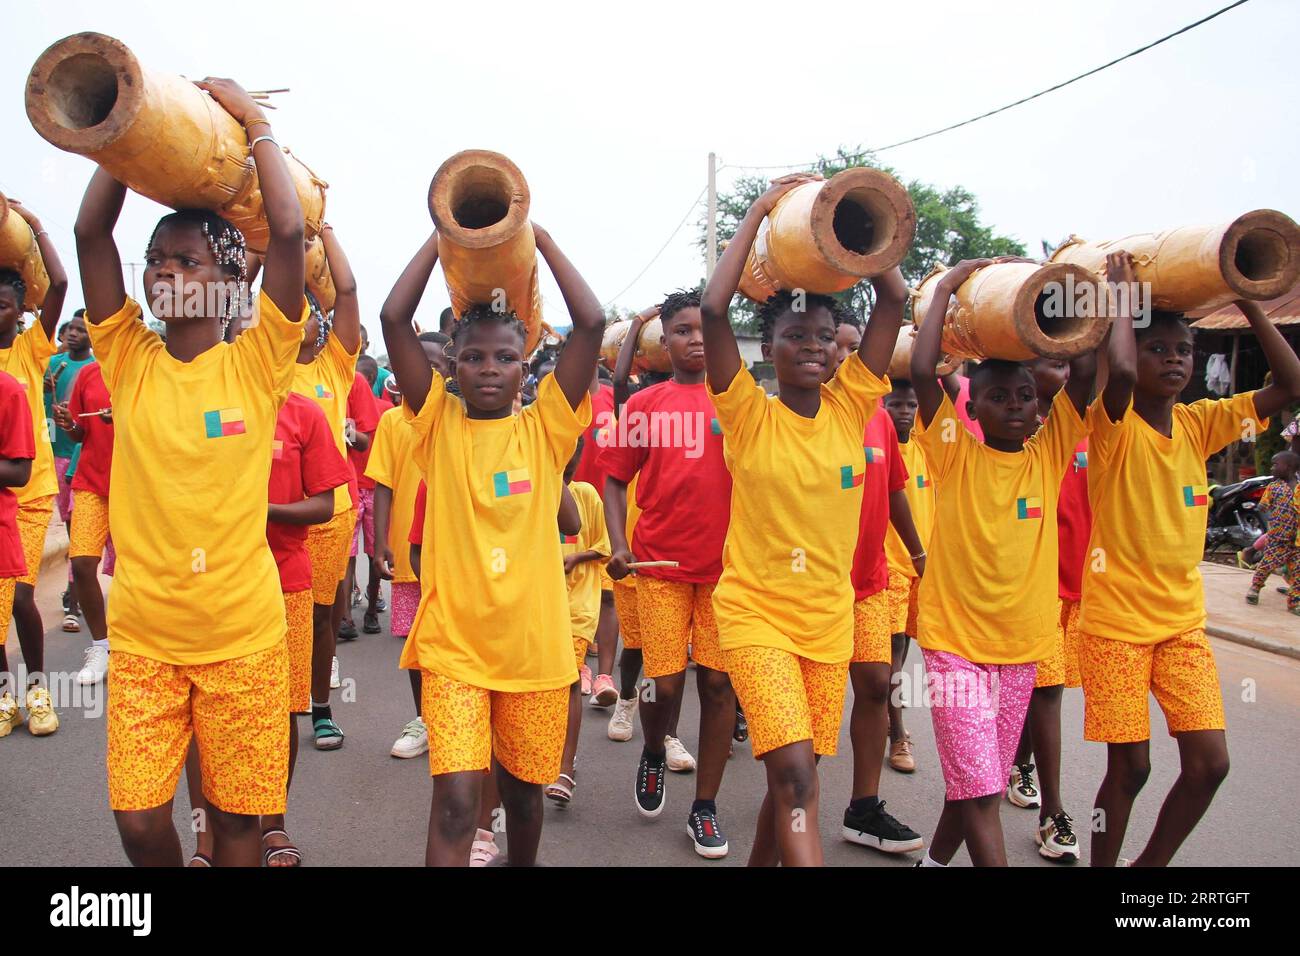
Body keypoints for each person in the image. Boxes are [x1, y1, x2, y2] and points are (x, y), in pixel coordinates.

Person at [73, 76, 306, 866]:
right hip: (144, 639)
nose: (164, 270)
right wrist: (131, 132)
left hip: (243, 636)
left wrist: (252, 122)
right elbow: (89, 235)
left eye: (187, 258)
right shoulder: (128, 358)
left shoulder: (258, 363)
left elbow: (287, 226)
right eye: (157, 258)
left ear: (230, 278)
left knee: (237, 823)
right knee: (140, 822)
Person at [381, 218, 603, 867]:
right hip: (454, 652)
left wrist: (541, 240)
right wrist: (443, 237)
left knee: (524, 798)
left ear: (525, 362)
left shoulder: (547, 429)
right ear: (450, 363)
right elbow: (395, 319)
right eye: (472, 356)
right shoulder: (435, 424)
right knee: (455, 801)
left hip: (535, 654)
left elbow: (589, 325)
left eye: (505, 357)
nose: (487, 369)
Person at [700, 172, 906, 866]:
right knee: (793, 775)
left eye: (825, 336)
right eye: (796, 335)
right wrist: (761, 213)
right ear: (771, 347)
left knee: (798, 780)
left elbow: (895, 301)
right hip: (757, 617)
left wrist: (867, 241)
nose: (814, 346)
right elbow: (712, 311)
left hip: (829, 622)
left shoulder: (854, 407)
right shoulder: (748, 416)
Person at [1082, 252, 1300, 867]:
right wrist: (1122, 305)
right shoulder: (1112, 423)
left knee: (1210, 764)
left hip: (1181, 626)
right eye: (1160, 349)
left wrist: (1248, 298)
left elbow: (1291, 385)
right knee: (1130, 769)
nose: (1175, 359)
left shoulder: (1200, 424)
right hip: (1116, 629)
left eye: (1184, 350)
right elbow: (1118, 370)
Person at [910, 256, 1094, 868]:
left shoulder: (1051, 453)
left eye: (1024, 396)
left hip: (1022, 650)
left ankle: (931, 863)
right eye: (998, 396)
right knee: (984, 788)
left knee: (975, 781)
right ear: (974, 407)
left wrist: (1093, 287)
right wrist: (952, 286)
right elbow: (921, 365)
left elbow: (1087, 372)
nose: (1015, 405)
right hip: (955, 644)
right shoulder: (953, 453)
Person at [602, 289, 736, 857]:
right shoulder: (645, 405)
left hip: (730, 573)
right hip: (657, 566)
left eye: (706, 327)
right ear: (667, 339)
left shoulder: (742, 401)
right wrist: (616, 543)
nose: (696, 339)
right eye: (682, 330)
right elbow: (612, 477)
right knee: (666, 679)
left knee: (717, 683)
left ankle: (703, 807)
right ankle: (654, 748)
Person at [832, 308, 926, 856]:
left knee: (875, 683)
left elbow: (894, 491)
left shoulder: (880, 418)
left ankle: (864, 808)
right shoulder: (798, 414)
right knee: (807, 716)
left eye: (851, 346)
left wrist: (917, 552)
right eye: (835, 346)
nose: (844, 357)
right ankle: (791, 798)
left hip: (868, 584)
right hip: (808, 591)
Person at [1005, 356, 1091, 862]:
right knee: (1040, 693)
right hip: (1026, 592)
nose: (1060, 368)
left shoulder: (1085, 427)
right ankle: (1052, 811)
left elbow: (1097, 370)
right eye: (1048, 358)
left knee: (1044, 692)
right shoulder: (1015, 436)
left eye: (1066, 359)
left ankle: (1020, 766)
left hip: (1075, 585)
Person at [291, 226, 363, 750]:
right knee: (267, 614)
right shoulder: (252, 367)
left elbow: (349, 292)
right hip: (263, 513)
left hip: (328, 513)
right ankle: (275, 704)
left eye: (307, 309)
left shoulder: (334, 369)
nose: (297, 316)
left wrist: (327, 231)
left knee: (320, 615)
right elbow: (232, 301)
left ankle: (318, 707)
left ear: (319, 324)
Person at [0, 198, 68, 734]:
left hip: (28, 492)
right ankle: (5, 695)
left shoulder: (28, 350)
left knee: (20, 593)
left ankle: (39, 690)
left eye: (2, 303)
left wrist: (37, 226)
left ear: (19, 310)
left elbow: (61, 285)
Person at [368, 331, 446, 759]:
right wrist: (380, 543)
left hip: (455, 557)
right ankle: (425, 719)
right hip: (408, 553)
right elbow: (383, 484)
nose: (428, 373)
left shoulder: (458, 417)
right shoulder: (391, 421)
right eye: (420, 364)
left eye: (436, 365)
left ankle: (456, 717)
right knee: (416, 644)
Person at [545, 436, 609, 808]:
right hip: (535, 604)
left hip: (577, 606)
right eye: (560, 452)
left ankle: (565, 767)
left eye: (574, 453)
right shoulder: (527, 481)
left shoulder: (585, 494)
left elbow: (604, 544)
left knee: (569, 679)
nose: (567, 460)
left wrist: (576, 558)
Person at [51, 358, 115, 685]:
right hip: (91, 482)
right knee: (83, 562)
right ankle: (101, 647)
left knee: (135, 569)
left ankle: (136, 643)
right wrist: (67, 423)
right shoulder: (88, 373)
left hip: (137, 484)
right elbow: (80, 433)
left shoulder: (148, 366)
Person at [881, 376, 934, 772]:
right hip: (890, 569)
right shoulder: (877, 449)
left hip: (924, 568)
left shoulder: (926, 448)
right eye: (894, 404)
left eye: (910, 405)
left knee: (906, 649)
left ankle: (886, 715)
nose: (903, 412)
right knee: (893, 657)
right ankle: (898, 734)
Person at [45, 310, 94, 632]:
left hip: (85, 462)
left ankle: (75, 601)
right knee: (74, 531)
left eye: (81, 330)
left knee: (84, 539)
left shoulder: (94, 370)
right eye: (70, 329)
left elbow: (84, 430)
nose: (73, 334)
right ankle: (74, 595)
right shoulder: (53, 366)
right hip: (56, 457)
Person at [0, 368, 35, 736]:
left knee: (22, 601)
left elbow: (20, 471)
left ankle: (37, 689)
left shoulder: (7, 388)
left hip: (24, 514)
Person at [339, 364, 380, 638]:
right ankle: (344, 618)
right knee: (346, 553)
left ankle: (372, 609)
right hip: (341, 485)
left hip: (372, 484)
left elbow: (364, 440)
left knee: (375, 550)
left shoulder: (354, 382)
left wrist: (335, 428)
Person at [1244, 450, 1299, 610]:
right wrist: (1273, 517)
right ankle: (1255, 588)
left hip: (1297, 540)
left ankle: (1294, 602)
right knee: (1267, 564)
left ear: (1288, 467)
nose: (1272, 468)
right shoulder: (1274, 488)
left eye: (1276, 465)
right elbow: (1263, 507)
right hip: (1277, 537)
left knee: (1298, 572)